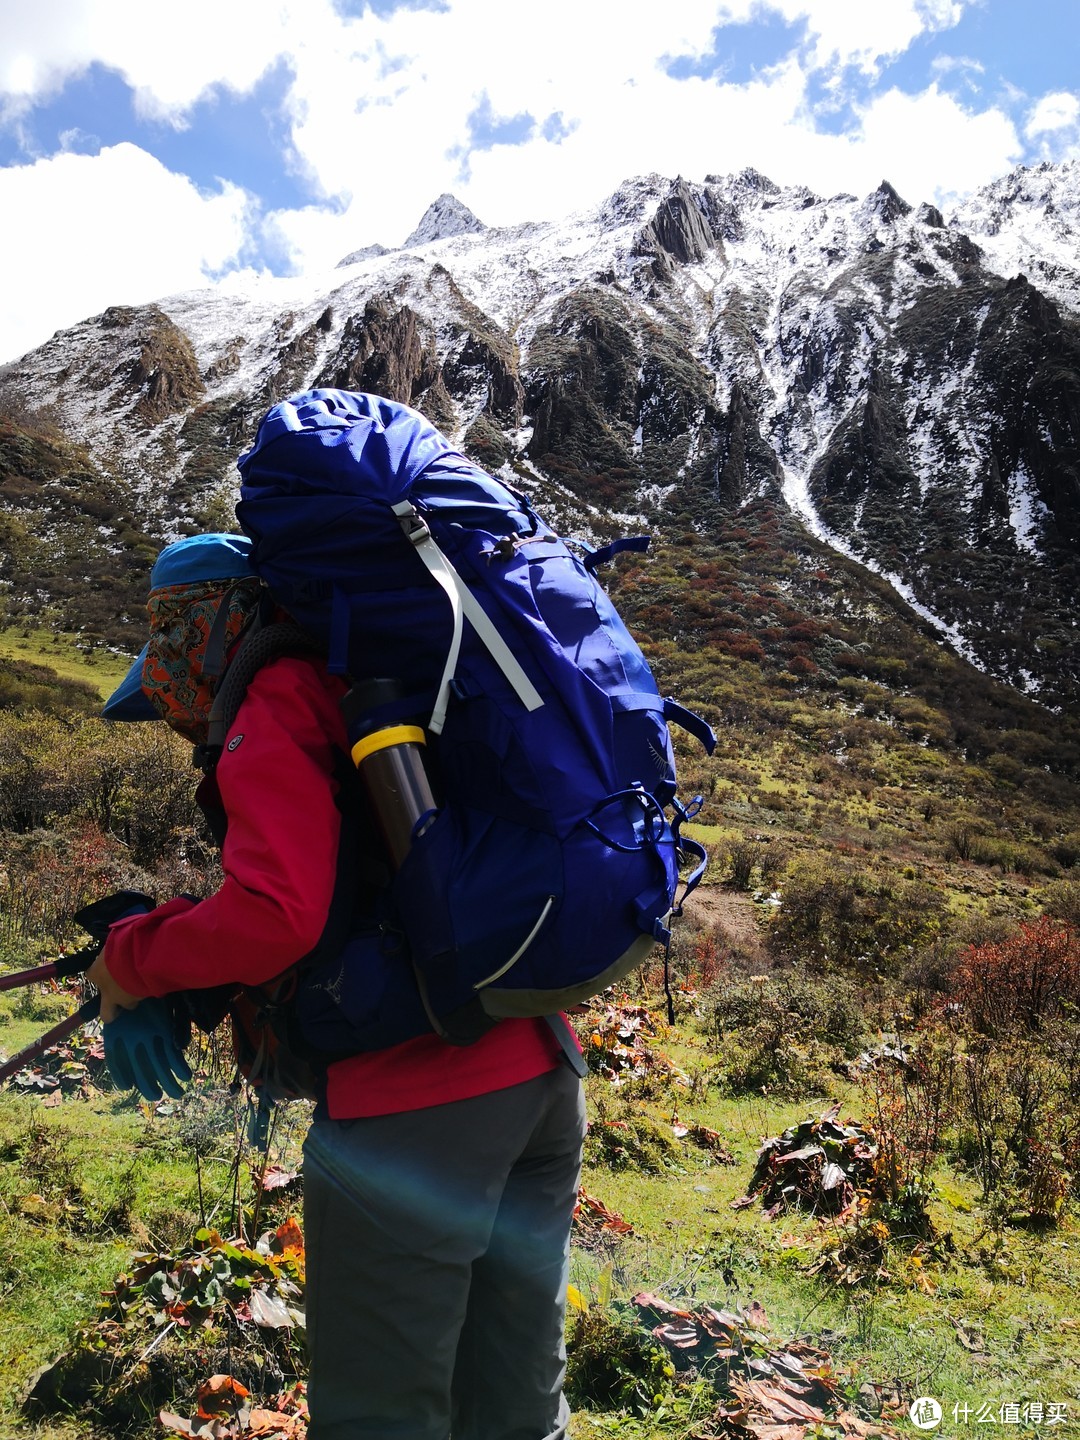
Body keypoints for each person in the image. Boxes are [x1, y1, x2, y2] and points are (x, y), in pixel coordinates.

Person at [87, 531, 587, 1440]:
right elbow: (359, 888)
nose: (172, 712)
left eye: (167, 666)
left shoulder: (273, 698)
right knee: (513, 1405)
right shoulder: (366, 684)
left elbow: (280, 914)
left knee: (379, 1417)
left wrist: (133, 959)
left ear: (200, 629)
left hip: (416, 1110)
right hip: (536, 1067)